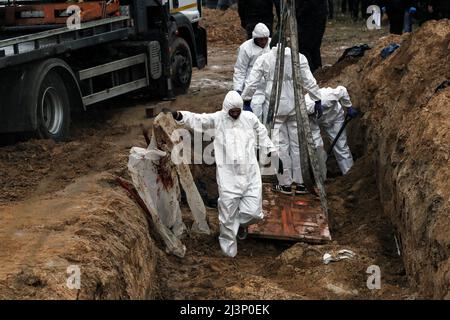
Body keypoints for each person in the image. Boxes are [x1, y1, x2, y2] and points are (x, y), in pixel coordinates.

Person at [171, 91, 280, 258]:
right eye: (232, 111)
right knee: (227, 219)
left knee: (254, 213)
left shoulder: (249, 119)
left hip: (250, 174)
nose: (235, 114)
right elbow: (199, 119)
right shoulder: (218, 119)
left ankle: (241, 225)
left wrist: (273, 153)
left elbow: (263, 134)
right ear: (226, 109)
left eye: (238, 111)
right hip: (228, 176)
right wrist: (180, 116)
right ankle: (229, 255)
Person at [241, 39, 322, 195]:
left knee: (279, 146)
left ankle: (284, 183)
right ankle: (300, 183)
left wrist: (246, 100)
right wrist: (317, 99)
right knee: (297, 146)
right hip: (294, 106)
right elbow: (309, 81)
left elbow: (252, 82)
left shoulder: (265, 59)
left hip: (275, 108)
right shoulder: (298, 57)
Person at [305, 86, 360, 178]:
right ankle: (320, 178)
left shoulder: (328, 96)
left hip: (335, 118)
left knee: (341, 146)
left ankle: (349, 175)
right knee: (316, 147)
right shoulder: (305, 108)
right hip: (314, 121)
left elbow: (343, 90)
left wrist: (348, 106)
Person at [233, 23, 271, 120]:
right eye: (260, 39)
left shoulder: (272, 45)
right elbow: (240, 70)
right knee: (255, 114)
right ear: (255, 38)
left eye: (265, 39)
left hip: (269, 86)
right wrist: (238, 89)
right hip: (254, 88)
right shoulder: (245, 48)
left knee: (269, 114)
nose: (263, 42)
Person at [296, 0, 328, 73]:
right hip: (317, 15)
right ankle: (317, 72)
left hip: (309, 18)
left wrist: (298, 12)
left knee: (305, 47)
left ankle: (310, 72)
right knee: (313, 48)